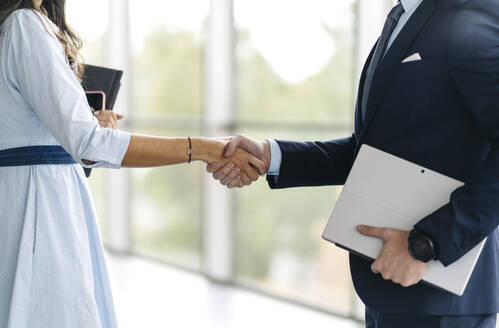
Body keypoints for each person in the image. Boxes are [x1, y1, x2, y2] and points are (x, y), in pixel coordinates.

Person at [208, 0, 499, 327]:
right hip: (388, 283)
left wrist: (427, 245)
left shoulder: (466, 12)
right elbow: (371, 152)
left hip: (438, 293)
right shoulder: (402, 19)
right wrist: (272, 155)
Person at [0, 1, 266, 327]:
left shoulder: (16, 25)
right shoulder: (25, 25)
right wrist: (206, 148)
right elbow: (88, 144)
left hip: (30, 200)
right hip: (42, 209)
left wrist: (92, 126)